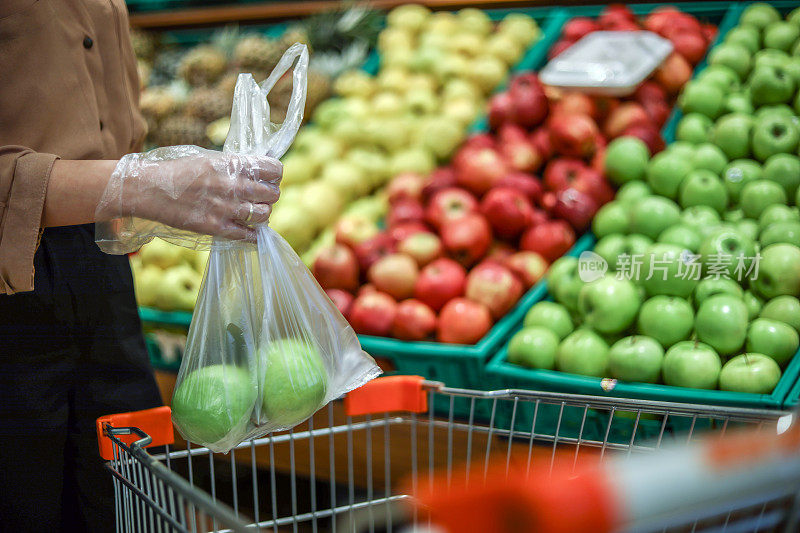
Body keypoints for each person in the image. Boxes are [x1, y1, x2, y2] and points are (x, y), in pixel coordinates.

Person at [0, 1, 282, 531]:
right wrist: (136, 184)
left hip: (97, 256)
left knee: (128, 498)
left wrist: (133, 189)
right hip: (10, 287)